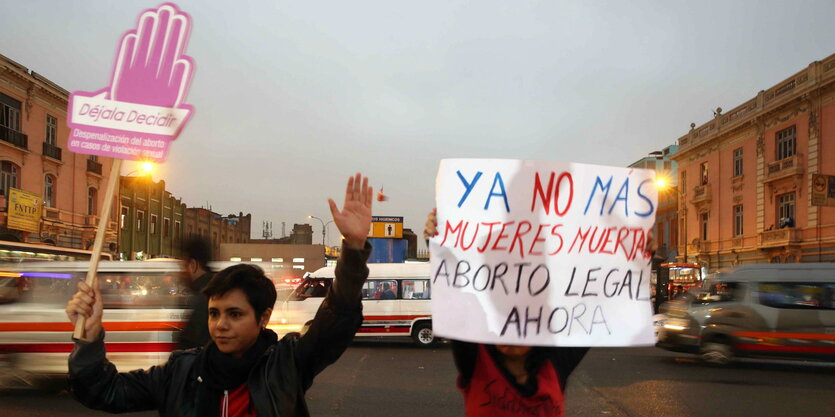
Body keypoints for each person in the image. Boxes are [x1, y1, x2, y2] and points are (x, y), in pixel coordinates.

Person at [65, 173, 375, 417]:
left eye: (235, 314)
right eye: (214, 313)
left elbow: (337, 320)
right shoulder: (181, 371)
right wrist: (89, 339)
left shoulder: (286, 365)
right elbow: (105, 392)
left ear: (263, 317)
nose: (220, 325)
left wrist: (353, 249)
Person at [424, 209, 655, 416]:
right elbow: (453, 290)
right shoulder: (476, 360)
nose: (510, 333)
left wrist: (637, 254)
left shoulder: (554, 366)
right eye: (504, 324)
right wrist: (439, 245)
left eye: (520, 323)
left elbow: (602, 299)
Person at [177, 235, 214, 349]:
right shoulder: (212, 289)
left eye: (183, 266)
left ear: (193, 265)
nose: (181, 272)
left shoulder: (204, 298)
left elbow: (192, 349)